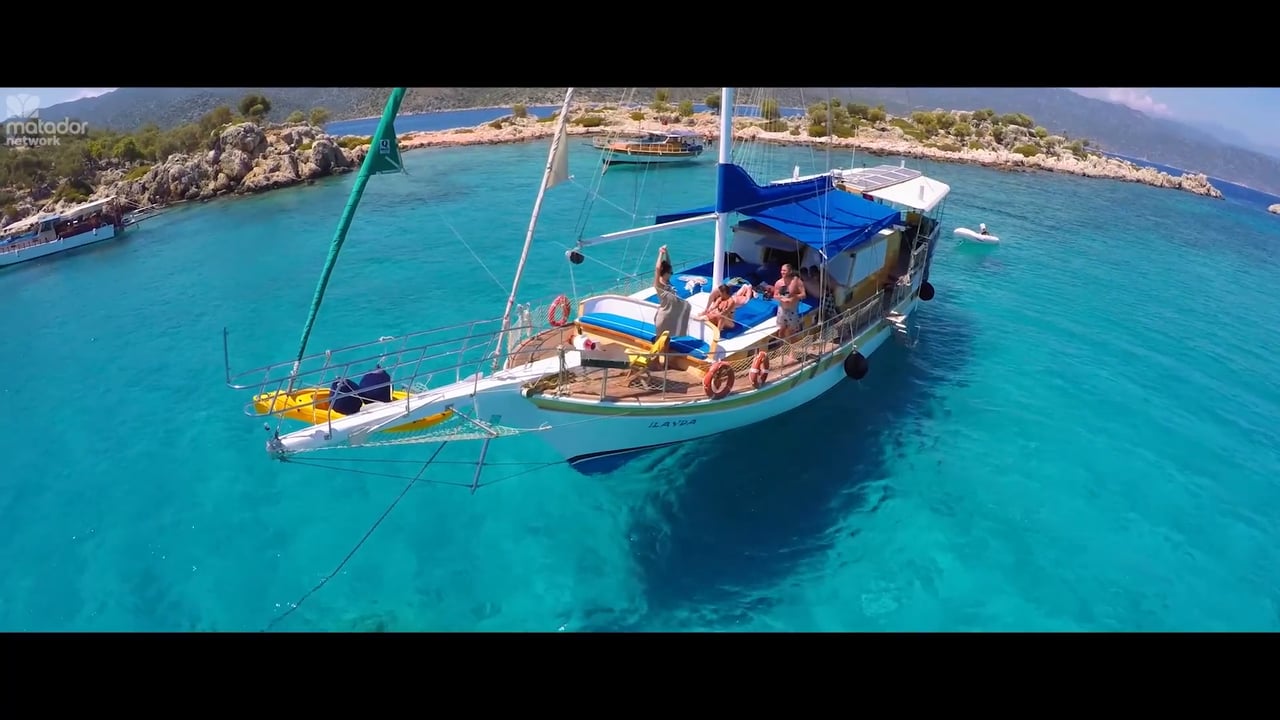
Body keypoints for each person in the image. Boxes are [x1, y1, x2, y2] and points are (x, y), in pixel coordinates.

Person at [651, 245, 689, 344]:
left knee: (667, 340)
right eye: (670, 272)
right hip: (663, 317)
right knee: (659, 343)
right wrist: (660, 253)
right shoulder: (659, 284)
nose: (672, 274)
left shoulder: (667, 282)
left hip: (670, 316)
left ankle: (665, 354)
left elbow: (669, 263)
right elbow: (657, 268)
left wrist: (666, 252)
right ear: (665, 273)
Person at [772, 263, 805, 341]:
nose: (782, 272)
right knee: (781, 331)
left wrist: (794, 298)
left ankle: (793, 349)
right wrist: (782, 298)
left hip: (792, 310)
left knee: (792, 333)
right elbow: (775, 296)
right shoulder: (779, 283)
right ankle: (781, 348)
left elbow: (803, 295)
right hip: (781, 310)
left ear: (790, 271)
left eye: (784, 270)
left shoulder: (797, 281)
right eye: (781, 270)